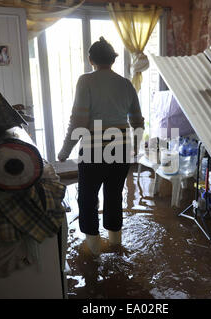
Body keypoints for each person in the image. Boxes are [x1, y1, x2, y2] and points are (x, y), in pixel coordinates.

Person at [58, 37, 144, 256]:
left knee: (87, 196)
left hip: (94, 150)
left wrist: (65, 150)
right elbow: (137, 120)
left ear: (90, 60)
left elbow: (78, 121)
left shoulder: (85, 81)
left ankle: (94, 248)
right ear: (113, 60)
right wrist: (135, 147)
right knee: (114, 194)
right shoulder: (126, 84)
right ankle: (116, 243)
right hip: (121, 148)